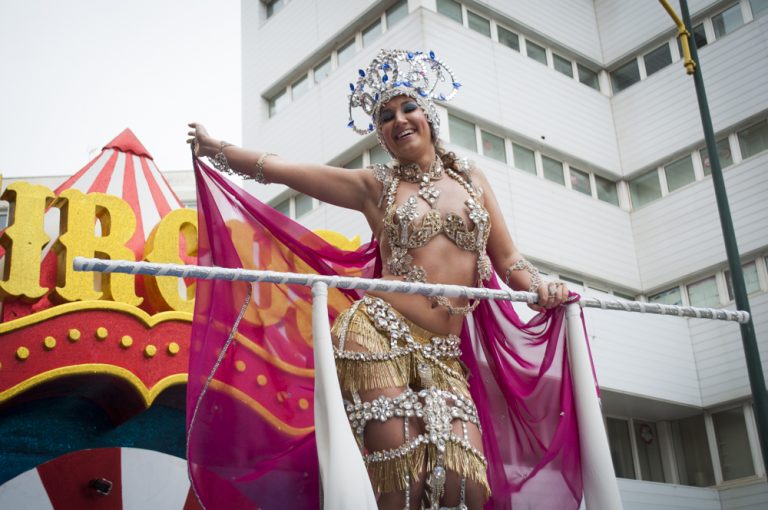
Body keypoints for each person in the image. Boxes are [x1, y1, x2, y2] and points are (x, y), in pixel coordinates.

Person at [188, 49, 571, 510]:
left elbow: (509, 260)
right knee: (402, 470)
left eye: (408, 107)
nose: (399, 120)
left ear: (428, 114)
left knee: (463, 486)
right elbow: (286, 170)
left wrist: (540, 287)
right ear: (382, 135)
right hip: (377, 334)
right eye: (385, 116)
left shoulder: (471, 177)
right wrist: (219, 150)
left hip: (444, 354)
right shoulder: (376, 185)